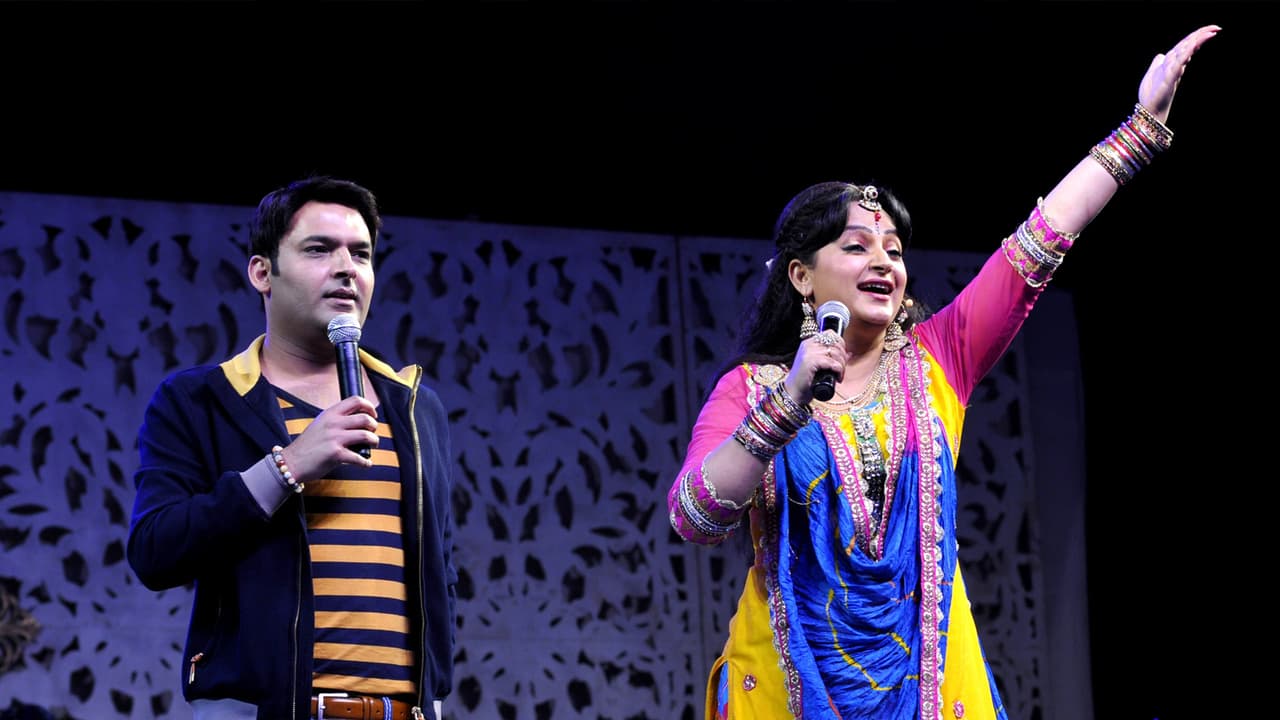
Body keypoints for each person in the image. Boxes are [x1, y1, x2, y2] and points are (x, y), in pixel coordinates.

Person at [667, 24, 1219, 720]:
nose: (883, 261)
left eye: (894, 250)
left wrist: (1140, 129)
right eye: (857, 246)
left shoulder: (938, 359)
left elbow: (1039, 242)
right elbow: (694, 515)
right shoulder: (752, 389)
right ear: (802, 277)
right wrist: (788, 402)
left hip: (930, 684)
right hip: (787, 688)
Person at [127, 176, 456, 720]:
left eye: (361, 254)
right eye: (319, 249)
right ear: (262, 272)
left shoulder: (416, 407)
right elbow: (155, 551)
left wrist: (435, 694)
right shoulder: (201, 401)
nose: (346, 268)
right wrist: (287, 467)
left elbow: (441, 571)